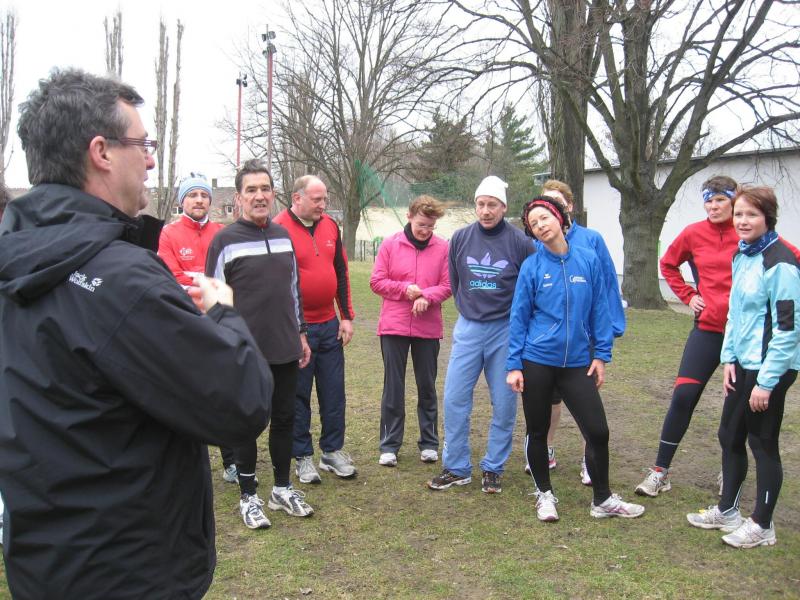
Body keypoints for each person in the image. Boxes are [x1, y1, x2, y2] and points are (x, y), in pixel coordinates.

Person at [0, 68, 273, 598]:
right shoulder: (119, 279)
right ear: (101, 152)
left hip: (47, 562)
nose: (150, 160)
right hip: (129, 570)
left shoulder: (17, 256)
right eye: (142, 145)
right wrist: (222, 312)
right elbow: (241, 403)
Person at [506, 196, 645, 522]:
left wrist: (601, 355)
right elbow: (519, 317)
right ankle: (544, 495)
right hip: (537, 361)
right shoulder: (532, 267)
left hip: (578, 362)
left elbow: (599, 309)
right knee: (537, 431)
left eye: (544, 218)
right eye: (533, 224)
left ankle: (602, 500)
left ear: (559, 217)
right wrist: (514, 365)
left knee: (598, 431)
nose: (540, 226)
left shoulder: (588, 259)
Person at [687, 186, 799, 548]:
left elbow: (788, 328)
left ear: (768, 217)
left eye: (752, 214)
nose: (743, 221)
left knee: (762, 442)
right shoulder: (743, 254)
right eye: (739, 214)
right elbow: (736, 314)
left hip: (771, 367)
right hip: (743, 362)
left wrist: (766, 382)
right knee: (729, 434)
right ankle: (727, 510)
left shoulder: (780, 262)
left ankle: (762, 525)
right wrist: (729, 359)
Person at [206, 159, 314, 530]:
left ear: (273, 193)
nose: (259, 196)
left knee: (285, 419)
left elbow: (293, 291)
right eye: (251, 190)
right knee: (247, 424)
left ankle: (281, 489)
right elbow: (212, 301)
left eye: (265, 188)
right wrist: (222, 347)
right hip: (245, 353)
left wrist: (301, 333)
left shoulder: (284, 236)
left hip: (285, 346)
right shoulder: (224, 240)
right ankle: (249, 496)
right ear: (238, 197)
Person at [634, 176, 741, 497]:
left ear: (734, 200)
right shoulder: (693, 233)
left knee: (735, 407)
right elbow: (668, 264)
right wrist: (687, 295)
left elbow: (788, 257)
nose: (713, 206)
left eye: (720, 200)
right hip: (707, 330)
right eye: (708, 200)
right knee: (683, 397)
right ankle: (660, 471)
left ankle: (730, 471)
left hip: (743, 336)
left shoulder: (748, 232)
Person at [427, 175, 532, 494]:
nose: (486, 211)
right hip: (469, 327)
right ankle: (457, 467)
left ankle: (493, 467)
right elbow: (455, 279)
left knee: (504, 402)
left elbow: (529, 289)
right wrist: (469, 309)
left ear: (504, 207)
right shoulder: (460, 238)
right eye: (481, 204)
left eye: (492, 205)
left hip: (506, 330)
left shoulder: (520, 243)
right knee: (454, 398)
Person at [528, 179, 626, 485]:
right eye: (545, 203)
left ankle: (589, 458)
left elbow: (606, 286)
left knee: (588, 404)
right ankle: (547, 449)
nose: (548, 212)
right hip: (548, 343)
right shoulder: (537, 241)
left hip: (585, 339)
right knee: (550, 401)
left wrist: (609, 332)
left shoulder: (591, 240)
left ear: (568, 206)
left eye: (557, 202)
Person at [274, 175, 357, 483]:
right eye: (317, 199)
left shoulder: (330, 226)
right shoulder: (278, 229)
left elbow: (341, 271)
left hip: (329, 325)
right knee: (298, 395)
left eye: (325, 199)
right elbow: (277, 284)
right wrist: (294, 328)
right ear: (297, 198)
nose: (324, 205)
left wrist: (345, 316)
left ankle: (332, 451)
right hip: (297, 329)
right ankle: (302, 456)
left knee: (334, 392)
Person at [158, 173, 238, 484]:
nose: (199, 200)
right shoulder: (169, 234)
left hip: (220, 322)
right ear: (183, 201)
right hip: (185, 323)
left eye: (204, 195)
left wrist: (197, 278)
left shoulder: (222, 232)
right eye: (193, 195)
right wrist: (209, 283)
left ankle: (231, 461)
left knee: (225, 392)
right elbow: (170, 278)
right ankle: (186, 462)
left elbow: (232, 275)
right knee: (188, 393)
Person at [370, 195, 451, 467]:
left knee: (427, 385)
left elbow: (448, 285)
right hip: (393, 326)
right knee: (393, 387)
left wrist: (427, 296)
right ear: (409, 217)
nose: (425, 230)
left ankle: (429, 443)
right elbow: (377, 281)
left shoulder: (443, 248)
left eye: (430, 226)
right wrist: (405, 290)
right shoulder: (390, 244)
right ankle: (389, 445)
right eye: (421, 224)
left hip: (428, 328)